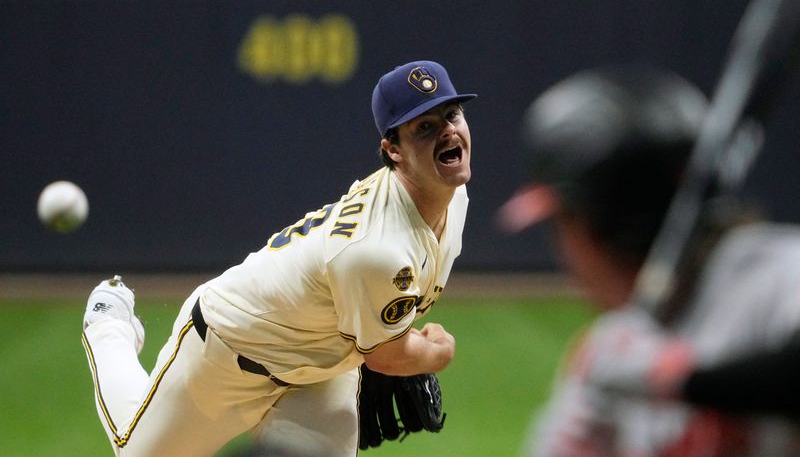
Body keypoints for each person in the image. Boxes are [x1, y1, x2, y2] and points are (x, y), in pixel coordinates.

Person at [81, 60, 477, 456]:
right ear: (394, 151)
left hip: (319, 372)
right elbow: (388, 356)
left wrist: (386, 340)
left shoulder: (451, 198)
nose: (446, 129)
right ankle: (107, 324)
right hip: (227, 351)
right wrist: (436, 351)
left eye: (451, 114)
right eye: (423, 127)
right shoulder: (375, 248)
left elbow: (384, 339)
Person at [498, 65, 800, 455]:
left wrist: (680, 381)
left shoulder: (780, 276)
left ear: (600, 221)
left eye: (563, 223)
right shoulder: (613, 353)